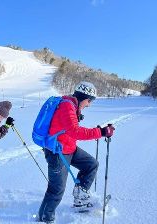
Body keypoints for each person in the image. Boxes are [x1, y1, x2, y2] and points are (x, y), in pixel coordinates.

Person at [38, 81, 115, 223]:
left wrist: (97, 131)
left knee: (91, 165)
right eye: (89, 101)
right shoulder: (67, 106)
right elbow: (75, 131)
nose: (89, 104)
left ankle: (80, 198)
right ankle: (45, 219)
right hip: (57, 152)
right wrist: (101, 132)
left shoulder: (72, 106)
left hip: (69, 148)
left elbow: (70, 128)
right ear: (83, 97)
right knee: (56, 190)